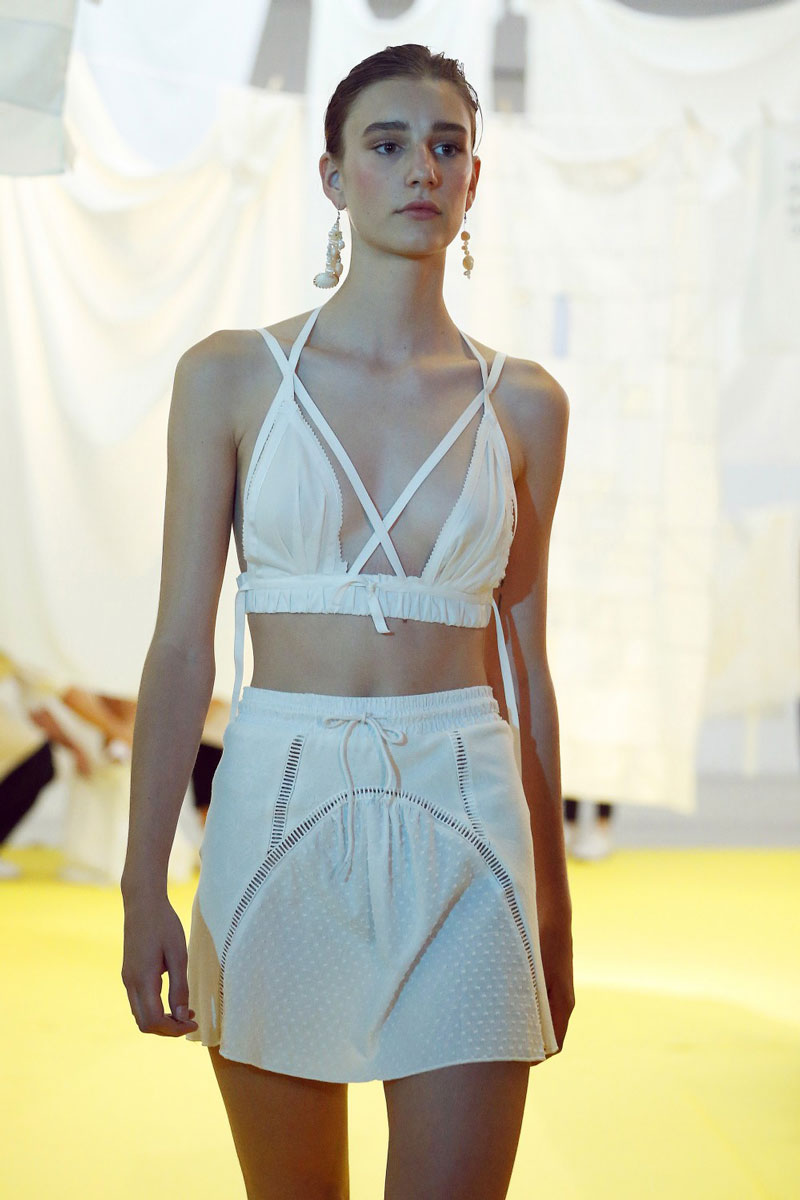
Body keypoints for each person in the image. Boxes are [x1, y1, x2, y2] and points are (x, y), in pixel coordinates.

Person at [121, 43, 574, 1200]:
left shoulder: (524, 402)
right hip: (276, 815)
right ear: (332, 175)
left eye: (446, 145)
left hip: (470, 823)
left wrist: (556, 907)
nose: (421, 167)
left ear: (472, 180)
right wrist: (139, 884)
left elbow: (523, 666)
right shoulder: (229, 376)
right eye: (386, 143)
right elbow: (178, 645)